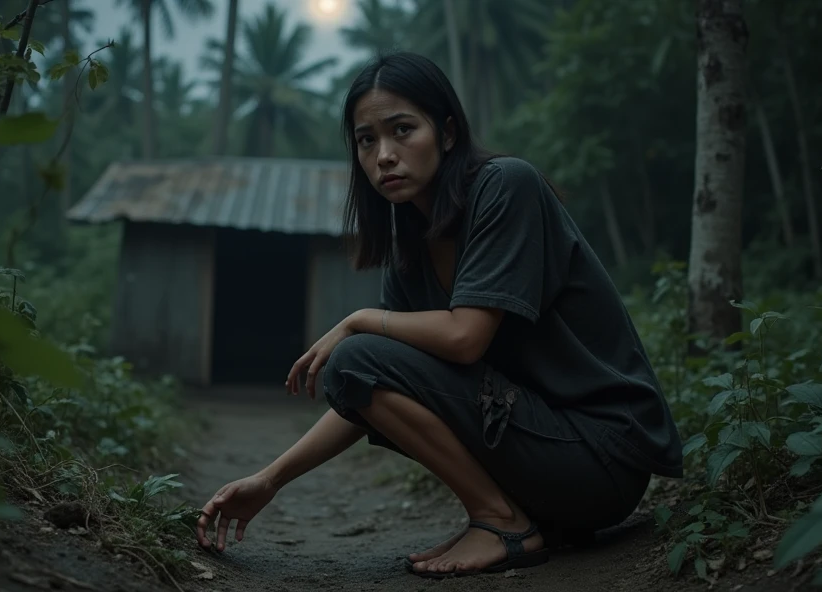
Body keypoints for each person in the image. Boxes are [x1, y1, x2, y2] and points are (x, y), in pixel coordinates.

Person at [194, 51, 684, 579]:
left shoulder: (506, 186)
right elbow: (368, 383)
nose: (384, 155)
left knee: (358, 351)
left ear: (447, 133)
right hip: (541, 460)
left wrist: (360, 319)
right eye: (366, 140)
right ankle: (506, 516)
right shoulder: (410, 248)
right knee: (356, 362)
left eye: (402, 130)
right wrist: (270, 479)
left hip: (601, 459)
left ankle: (500, 521)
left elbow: (465, 338)